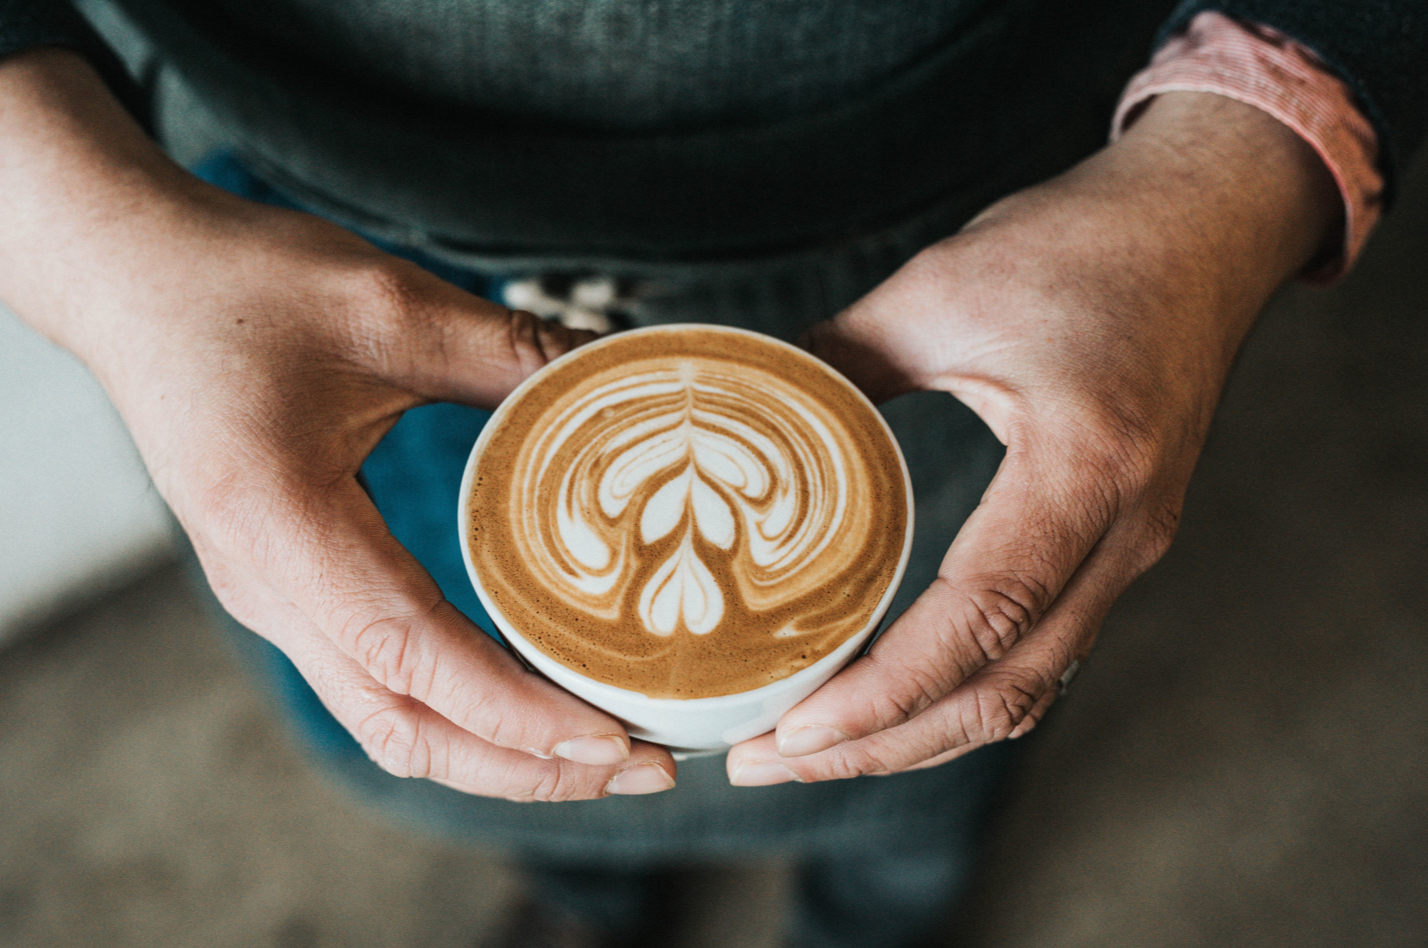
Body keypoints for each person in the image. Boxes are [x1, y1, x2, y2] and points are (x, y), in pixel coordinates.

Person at [1, 2, 1423, 946]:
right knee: (472, 715)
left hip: (972, 233)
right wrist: (79, 230)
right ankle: (588, 885)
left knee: (949, 697)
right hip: (295, 258)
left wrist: (1244, 150)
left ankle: (881, 907)